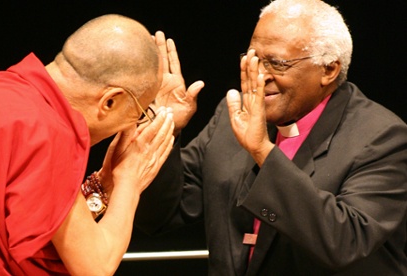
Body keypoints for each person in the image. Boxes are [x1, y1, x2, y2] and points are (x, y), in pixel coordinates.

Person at [135, 0, 407, 275]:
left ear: (328, 70)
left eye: (277, 63)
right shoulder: (234, 115)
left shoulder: (383, 138)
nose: (260, 75)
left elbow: (345, 241)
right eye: (254, 59)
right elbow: (160, 216)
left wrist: (262, 151)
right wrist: (163, 128)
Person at [0, 14, 180, 275]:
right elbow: (97, 266)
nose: (131, 125)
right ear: (110, 101)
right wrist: (129, 181)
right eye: (139, 112)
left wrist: (103, 183)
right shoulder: (48, 134)